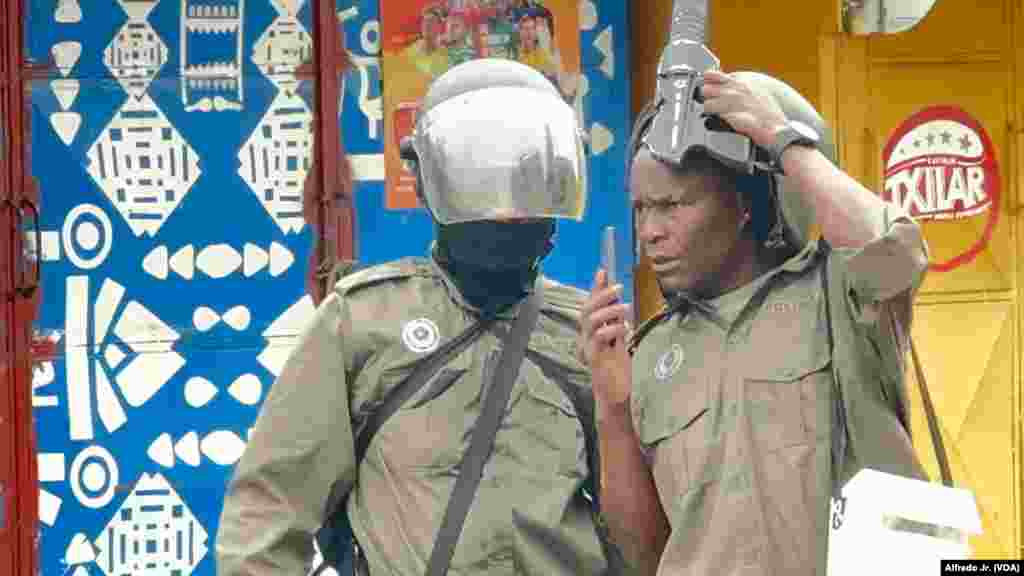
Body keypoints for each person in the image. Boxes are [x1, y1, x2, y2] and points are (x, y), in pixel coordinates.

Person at [216, 58, 621, 575]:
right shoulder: (362, 320)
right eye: (482, 185)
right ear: (430, 180)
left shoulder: (582, 331)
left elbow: (635, 523)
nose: (506, 215)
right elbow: (268, 513)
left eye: (523, 189)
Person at [579, 63, 931, 574]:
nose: (650, 232)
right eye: (640, 210)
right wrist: (613, 410)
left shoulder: (837, 294)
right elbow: (647, 551)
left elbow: (894, 248)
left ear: (745, 204)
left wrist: (781, 141)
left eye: (673, 204)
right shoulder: (651, 352)